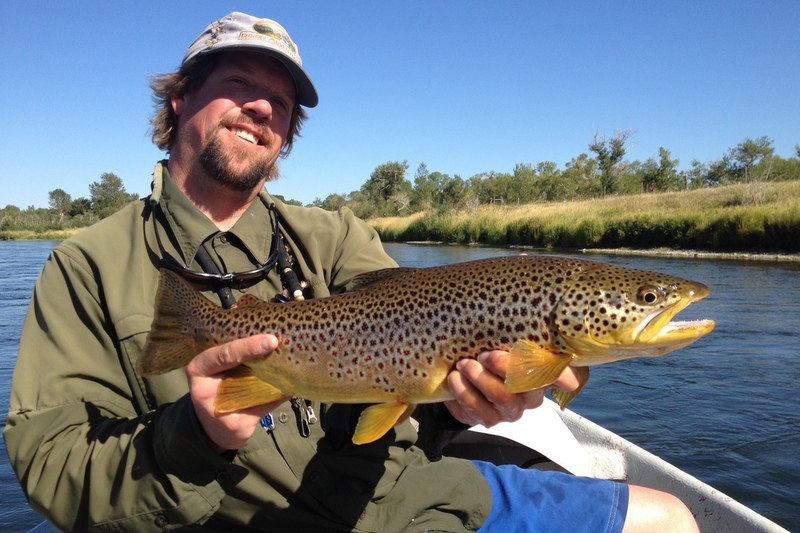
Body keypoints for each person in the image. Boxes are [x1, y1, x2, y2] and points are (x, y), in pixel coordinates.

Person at [4, 12, 698, 533]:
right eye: (240, 82)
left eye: (281, 102)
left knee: (672, 517)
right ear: (180, 98)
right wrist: (195, 435)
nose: (262, 107)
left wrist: (470, 400)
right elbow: (51, 464)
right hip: (243, 520)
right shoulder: (88, 266)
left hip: (408, 500)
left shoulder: (332, 235)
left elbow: (422, 357)